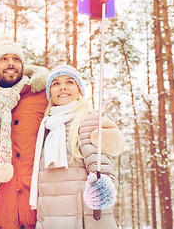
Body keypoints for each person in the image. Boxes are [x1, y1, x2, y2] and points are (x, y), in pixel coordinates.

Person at [29, 65, 124, 229]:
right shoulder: (47, 127)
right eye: (56, 83)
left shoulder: (88, 121)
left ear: (79, 89)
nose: (63, 87)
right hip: (51, 219)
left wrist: (101, 189)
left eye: (69, 82)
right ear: (50, 92)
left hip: (83, 220)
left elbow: (104, 174)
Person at [0, 35, 49, 229]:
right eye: (4, 59)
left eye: (16, 59)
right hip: (1, 205)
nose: (11, 63)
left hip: (37, 204)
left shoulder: (42, 96)